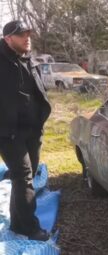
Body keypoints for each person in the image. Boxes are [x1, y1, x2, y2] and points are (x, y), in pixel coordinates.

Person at [0, 20, 52, 241]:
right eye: (21, 34)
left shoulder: (29, 60)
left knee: (23, 180)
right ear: (7, 38)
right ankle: (29, 227)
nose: (27, 37)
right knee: (24, 178)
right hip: (8, 133)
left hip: (32, 131)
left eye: (28, 33)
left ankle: (17, 222)